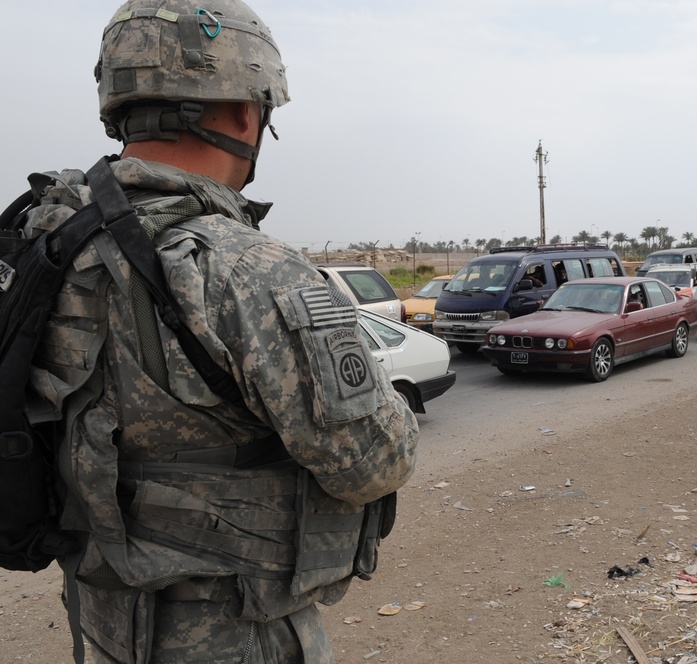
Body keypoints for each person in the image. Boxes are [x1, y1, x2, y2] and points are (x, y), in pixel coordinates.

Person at [22, 1, 418, 662]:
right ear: (244, 111)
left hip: (102, 624)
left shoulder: (49, 245)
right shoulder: (247, 268)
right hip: (236, 634)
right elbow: (373, 460)